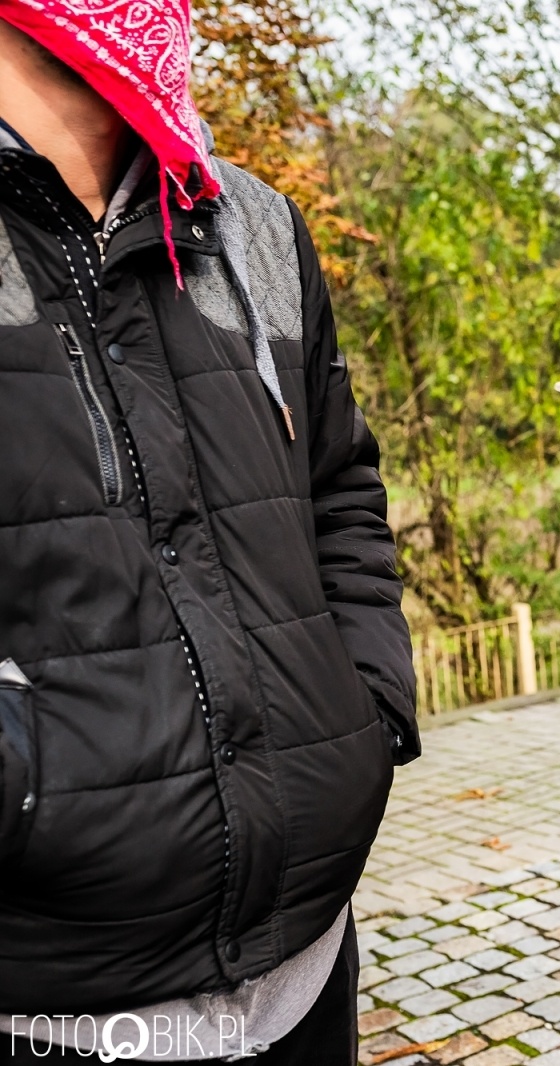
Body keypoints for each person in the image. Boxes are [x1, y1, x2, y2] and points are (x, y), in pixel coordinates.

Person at [0, 3, 416, 1062]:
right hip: (53, 1005)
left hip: (305, 968)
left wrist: (367, 709)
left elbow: (338, 485)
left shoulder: (254, 222)